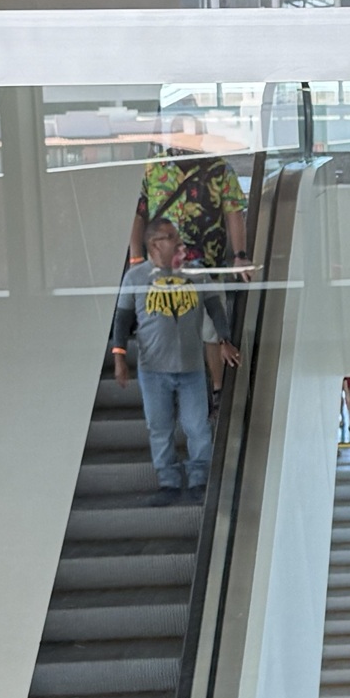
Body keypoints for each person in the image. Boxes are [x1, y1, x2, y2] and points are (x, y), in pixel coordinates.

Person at [112, 219, 238, 506]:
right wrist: (119, 356)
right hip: (152, 369)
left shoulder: (195, 274)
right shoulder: (136, 277)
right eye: (171, 238)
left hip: (192, 367)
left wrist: (224, 339)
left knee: (197, 426)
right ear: (154, 243)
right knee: (159, 426)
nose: (179, 243)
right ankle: (168, 481)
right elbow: (122, 319)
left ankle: (199, 480)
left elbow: (215, 308)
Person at [128, 135, 251, 396]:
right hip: (163, 266)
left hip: (207, 262)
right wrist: (135, 257)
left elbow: (233, 213)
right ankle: (169, 387)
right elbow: (139, 214)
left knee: (209, 326)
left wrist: (240, 255)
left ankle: (217, 390)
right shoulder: (154, 168)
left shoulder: (219, 169)